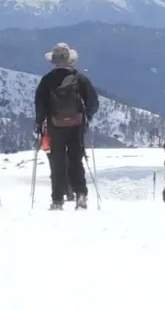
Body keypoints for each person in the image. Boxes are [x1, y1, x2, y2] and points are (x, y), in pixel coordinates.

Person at [34, 43, 99, 210]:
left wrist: (40, 123)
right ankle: (81, 194)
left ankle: (57, 199)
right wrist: (86, 117)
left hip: (55, 126)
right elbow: (93, 103)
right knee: (76, 160)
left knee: (57, 162)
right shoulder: (79, 78)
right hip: (76, 125)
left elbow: (40, 105)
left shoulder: (47, 80)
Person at [40, 123, 75, 201]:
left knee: (55, 168)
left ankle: (58, 194)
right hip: (66, 134)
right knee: (65, 166)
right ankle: (68, 192)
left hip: (50, 141)